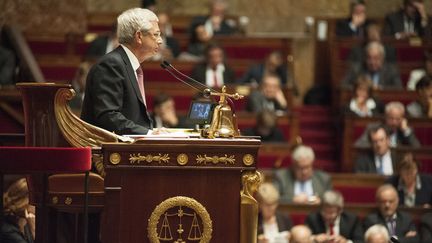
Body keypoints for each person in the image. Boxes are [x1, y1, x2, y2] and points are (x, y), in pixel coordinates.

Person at [81, 8, 163, 135]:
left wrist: (152, 131)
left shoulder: (128, 65)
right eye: (156, 34)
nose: (160, 40)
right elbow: (108, 116)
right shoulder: (111, 65)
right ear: (139, 36)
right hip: (107, 150)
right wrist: (147, 133)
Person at [355, 101, 421, 148]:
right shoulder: (373, 127)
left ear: (402, 119)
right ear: (385, 117)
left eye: (398, 119)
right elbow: (359, 145)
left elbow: (417, 148)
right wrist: (376, 143)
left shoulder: (405, 131)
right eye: (391, 118)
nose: (394, 122)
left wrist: (406, 131)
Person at [1, 178, 35, 243]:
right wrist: (34, 229)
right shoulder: (7, 230)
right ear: (24, 203)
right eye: (35, 201)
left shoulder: (25, 225)